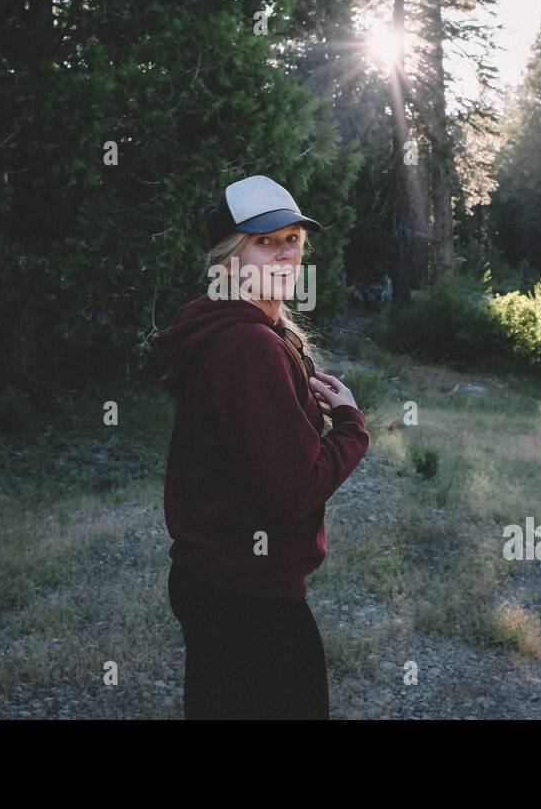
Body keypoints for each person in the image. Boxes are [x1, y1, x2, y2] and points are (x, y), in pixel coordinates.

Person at [148, 174, 370, 719]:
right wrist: (350, 427)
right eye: (264, 241)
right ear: (229, 257)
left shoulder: (229, 330)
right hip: (250, 593)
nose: (284, 254)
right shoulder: (248, 344)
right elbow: (294, 490)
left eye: (292, 239)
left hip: (213, 580)